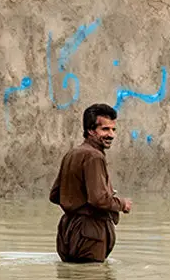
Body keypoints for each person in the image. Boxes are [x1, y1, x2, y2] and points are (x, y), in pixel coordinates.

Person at [49, 103, 133, 263]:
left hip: (67, 232)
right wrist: (122, 204)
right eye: (105, 129)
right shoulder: (94, 156)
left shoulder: (72, 154)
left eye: (113, 130)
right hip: (89, 233)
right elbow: (99, 199)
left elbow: (55, 195)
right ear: (90, 130)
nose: (111, 135)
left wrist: (76, 201)